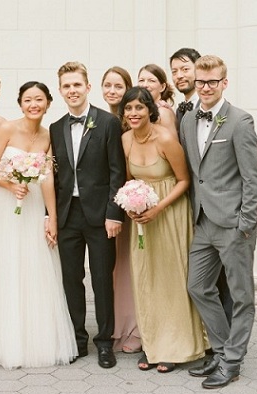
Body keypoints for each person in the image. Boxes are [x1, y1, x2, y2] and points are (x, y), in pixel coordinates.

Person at [0, 81, 77, 368]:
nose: (33, 105)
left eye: (39, 100)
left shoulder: (48, 134)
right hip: (5, 205)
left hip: (33, 205)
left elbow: (48, 177)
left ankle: (35, 341)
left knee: (35, 267)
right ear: (20, 103)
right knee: (4, 267)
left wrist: (51, 217)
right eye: (28, 100)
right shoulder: (6, 129)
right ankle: (2, 342)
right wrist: (10, 184)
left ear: (48, 103)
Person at [181, 55, 257, 389]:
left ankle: (231, 362)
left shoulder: (240, 121)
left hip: (233, 224)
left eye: (212, 81)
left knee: (242, 296)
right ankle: (224, 349)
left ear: (224, 82)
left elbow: (253, 178)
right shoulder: (187, 120)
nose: (206, 87)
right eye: (200, 81)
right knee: (197, 286)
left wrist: (246, 223)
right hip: (202, 221)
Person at [119, 86, 207, 373]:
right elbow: (130, 180)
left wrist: (158, 208)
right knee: (146, 279)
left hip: (169, 214)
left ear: (150, 110)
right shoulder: (125, 140)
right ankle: (153, 343)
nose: (134, 113)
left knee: (171, 278)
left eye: (139, 108)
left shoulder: (166, 138)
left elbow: (184, 181)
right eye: (129, 108)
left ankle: (176, 347)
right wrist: (133, 206)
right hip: (143, 218)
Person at [49, 61, 126, 369]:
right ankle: (77, 339)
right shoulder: (55, 128)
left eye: (77, 85)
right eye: (66, 86)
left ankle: (105, 343)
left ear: (88, 87)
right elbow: (52, 179)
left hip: (100, 216)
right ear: (60, 91)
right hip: (68, 215)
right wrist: (50, 217)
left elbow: (116, 171)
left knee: (102, 280)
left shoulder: (107, 123)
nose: (72, 90)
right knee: (71, 279)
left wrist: (114, 213)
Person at [170, 48, 232, 324]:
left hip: (222, 212)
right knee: (200, 282)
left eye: (185, 68)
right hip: (193, 208)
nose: (179, 75)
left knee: (223, 282)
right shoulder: (181, 113)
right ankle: (211, 341)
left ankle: (227, 349)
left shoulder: (224, 113)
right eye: (174, 70)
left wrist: (245, 219)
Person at [101, 66, 141, 354]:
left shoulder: (131, 120)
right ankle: (115, 327)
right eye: (108, 85)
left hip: (128, 203)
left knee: (130, 267)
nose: (112, 90)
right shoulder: (101, 120)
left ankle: (134, 328)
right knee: (112, 269)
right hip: (107, 204)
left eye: (118, 85)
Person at [138, 64, 178, 136]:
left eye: (151, 81)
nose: (145, 85)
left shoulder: (162, 113)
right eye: (141, 80)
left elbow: (171, 145)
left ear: (162, 87)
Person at [169, 48, 201, 134]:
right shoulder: (179, 110)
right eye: (174, 72)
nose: (179, 76)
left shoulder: (208, 106)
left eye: (185, 69)